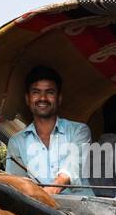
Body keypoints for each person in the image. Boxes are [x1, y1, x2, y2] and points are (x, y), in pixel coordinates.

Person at [5, 65, 92, 196]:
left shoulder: (79, 131)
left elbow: (72, 167)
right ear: (27, 99)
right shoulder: (16, 142)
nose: (43, 98)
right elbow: (16, 186)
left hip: (83, 211)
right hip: (39, 212)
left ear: (59, 98)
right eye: (36, 92)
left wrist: (48, 193)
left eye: (50, 92)